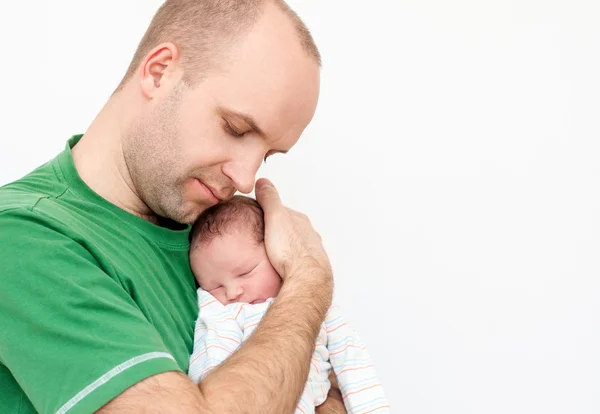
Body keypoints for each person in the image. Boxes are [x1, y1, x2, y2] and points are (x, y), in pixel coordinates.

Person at [0, 1, 347, 413]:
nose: (245, 178)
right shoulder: (24, 239)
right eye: (235, 129)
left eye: (269, 154)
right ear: (159, 71)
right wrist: (309, 281)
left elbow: (325, 389)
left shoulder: (220, 237)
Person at [187, 195, 391, 413]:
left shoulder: (319, 307)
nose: (233, 292)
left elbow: (354, 366)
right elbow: (209, 364)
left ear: (277, 254)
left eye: (245, 273)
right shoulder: (220, 311)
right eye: (214, 286)